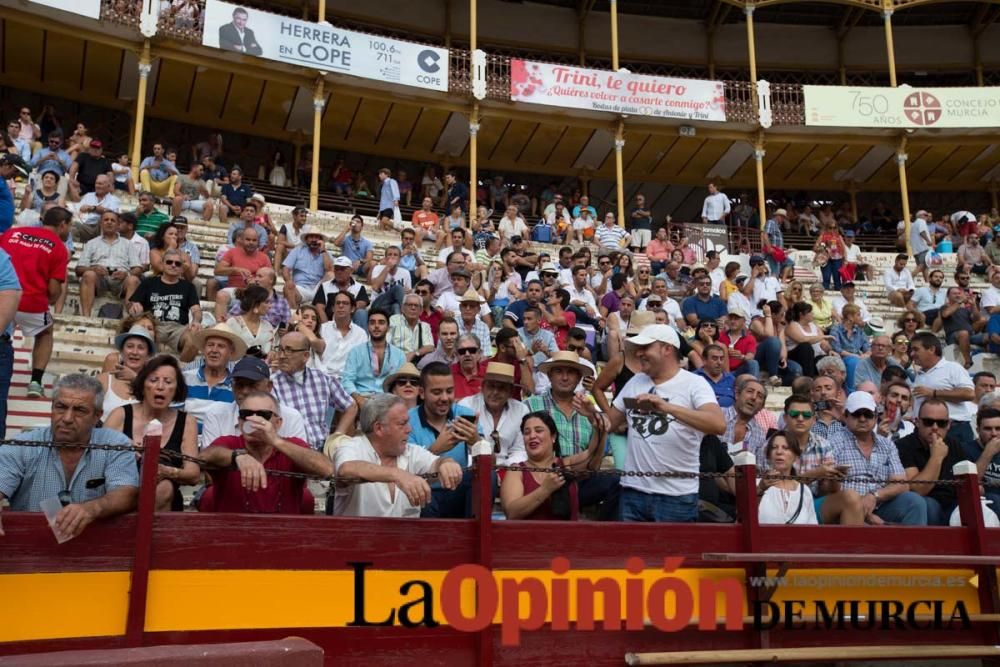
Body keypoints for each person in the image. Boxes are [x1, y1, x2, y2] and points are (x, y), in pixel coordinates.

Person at [607, 325, 725, 522]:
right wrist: (591, 414)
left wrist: (667, 408)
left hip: (676, 496)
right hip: (633, 491)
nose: (639, 353)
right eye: (639, 348)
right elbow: (609, 423)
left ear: (667, 349)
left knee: (674, 554)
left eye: (646, 347)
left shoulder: (694, 384)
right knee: (633, 553)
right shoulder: (636, 381)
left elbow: (718, 424)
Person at [0, 374, 138, 539]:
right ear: (52, 408)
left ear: (97, 416)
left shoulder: (115, 444)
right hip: (29, 548)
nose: (67, 418)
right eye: (61, 407)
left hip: (94, 553)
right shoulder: (21, 446)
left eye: (79, 410)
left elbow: (126, 493)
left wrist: (91, 509)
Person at [333, 394, 464, 517]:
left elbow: (437, 462)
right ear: (379, 428)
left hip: (404, 540)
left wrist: (447, 463)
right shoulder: (351, 446)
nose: (409, 429)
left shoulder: (410, 451)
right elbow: (346, 469)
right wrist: (398, 475)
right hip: (357, 540)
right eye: (402, 424)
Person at [200, 392, 330, 514]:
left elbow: (326, 469)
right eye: (246, 414)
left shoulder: (291, 446)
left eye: (263, 415)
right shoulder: (229, 443)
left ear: (278, 423)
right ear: (240, 422)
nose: (254, 420)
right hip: (234, 532)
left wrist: (276, 441)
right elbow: (205, 456)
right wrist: (237, 457)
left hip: (282, 532)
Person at [102, 355, 199, 512]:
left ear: (176, 389)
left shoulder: (187, 421)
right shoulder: (120, 414)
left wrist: (169, 472)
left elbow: (193, 474)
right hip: (118, 487)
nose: (160, 387)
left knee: (164, 488)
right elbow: (96, 454)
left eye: (168, 382)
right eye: (153, 380)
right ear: (142, 384)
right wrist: (123, 444)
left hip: (164, 499)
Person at [829, 391, 928, 525]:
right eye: (857, 414)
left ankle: (914, 546)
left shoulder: (887, 444)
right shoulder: (833, 442)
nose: (863, 419)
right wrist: (860, 509)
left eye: (868, 414)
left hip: (880, 505)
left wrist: (874, 496)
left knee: (915, 502)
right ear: (846, 416)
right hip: (847, 509)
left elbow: (901, 484)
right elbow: (829, 488)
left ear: (876, 417)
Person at [0, 206, 69, 397]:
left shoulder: (12, 233)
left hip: (3, 296)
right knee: (46, 332)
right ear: (62, 225)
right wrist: (51, 300)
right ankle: (36, 382)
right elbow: (54, 289)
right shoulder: (58, 247)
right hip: (31, 300)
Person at [771, 394, 863, 525]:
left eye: (806, 415)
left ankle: (849, 546)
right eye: (795, 414)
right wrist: (816, 474)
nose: (800, 418)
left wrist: (834, 479)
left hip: (813, 504)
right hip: (779, 507)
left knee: (851, 497)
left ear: (814, 419)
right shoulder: (772, 445)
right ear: (785, 418)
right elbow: (773, 490)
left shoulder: (823, 444)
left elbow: (828, 492)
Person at [500, 409, 608, 520]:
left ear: (553, 437)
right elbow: (512, 512)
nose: (532, 436)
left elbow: (593, 457)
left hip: (566, 535)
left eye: (538, 430)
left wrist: (600, 429)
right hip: (528, 536)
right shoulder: (516, 471)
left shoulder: (566, 464)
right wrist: (545, 490)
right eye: (527, 432)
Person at [406, 362, 480, 518]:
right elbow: (405, 470)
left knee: (489, 477)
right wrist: (435, 450)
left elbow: (491, 463)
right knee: (423, 497)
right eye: (437, 392)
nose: (445, 398)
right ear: (422, 393)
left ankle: (477, 536)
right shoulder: (408, 421)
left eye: (449, 391)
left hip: (458, 490)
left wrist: (476, 441)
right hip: (426, 492)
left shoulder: (465, 415)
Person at [201, 356, 307, 449]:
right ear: (232, 386)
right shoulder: (216, 415)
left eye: (253, 385)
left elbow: (303, 462)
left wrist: (276, 441)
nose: (245, 391)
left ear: (269, 386)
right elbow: (208, 461)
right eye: (240, 384)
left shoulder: (291, 417)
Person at [272, 331, 355, 449]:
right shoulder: (271, 383)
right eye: (280, 349)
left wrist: (337, 435)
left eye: (289, 350)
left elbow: (351, 406)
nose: (281, 355)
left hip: (321, 450)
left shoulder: (322, 379)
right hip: (290, 452)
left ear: (305, 356)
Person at [894, 399, 965, 525]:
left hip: (954, 504)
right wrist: (936, 457)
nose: (935, 428)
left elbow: (969, 482)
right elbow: (917, 490)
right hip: (925, 505)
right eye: (928, 422)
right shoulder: (903, 446)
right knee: (928, 505)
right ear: (917, 422)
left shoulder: (954, 444)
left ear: (948, 424)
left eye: (941, 423)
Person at [128, 248, 201, 354]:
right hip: (153, 326)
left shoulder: (188, 287)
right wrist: (134, 307)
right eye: (169, 262)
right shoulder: (148, 283)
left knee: (195, 337)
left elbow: (196, 310)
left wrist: (196, 320)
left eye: (178, 263)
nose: (173, 265)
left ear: (181, 269)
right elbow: (134, 303)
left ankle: (182, 368)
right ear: (162, 264)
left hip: (178, 328)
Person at [911, 331, 976, 443]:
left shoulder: (952, 368)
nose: (912, 353)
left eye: (916, 349)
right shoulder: (920, 374)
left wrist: (934, 393)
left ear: (931, 349)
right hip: (926, 432)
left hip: (954, 430)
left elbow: (969, 393)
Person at [458, 362, 529, 466]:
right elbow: (461, 449)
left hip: (509, 469)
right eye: (491, 386)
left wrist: (505, 470)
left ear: (510, 391)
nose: (495, 392)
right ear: (482, 387)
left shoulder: (521, 410)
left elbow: (520, 450)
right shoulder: (466, 406)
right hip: (473, 467)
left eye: (501, 388)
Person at [75, 210, 141, 316]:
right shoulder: (91, 243)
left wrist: (126, 274)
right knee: (88, 274)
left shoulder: (128, 244)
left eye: (112, 220)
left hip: (121, 280)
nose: (109, 222)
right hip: (99, 278)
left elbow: (138, 268)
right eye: (106, 220)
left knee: (133, 280)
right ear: (101, 223)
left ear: (118, 225)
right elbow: (79, 269)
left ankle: (130, 318)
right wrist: (93, 269)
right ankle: (86, 317)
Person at [183, 324, 245, 427]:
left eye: (221, 346)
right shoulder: (185, 379)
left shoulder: (237, 386)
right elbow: (174, 418)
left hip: (221, 441)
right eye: (210, 345)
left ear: (231, 352)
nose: (214, 350)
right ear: (204, 349)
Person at [341, 309, 405, 406]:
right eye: (372, 322)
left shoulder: (399, 354)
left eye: (381, 322)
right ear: (368, 327)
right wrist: (358, 398)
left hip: (388, 400)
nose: (376, 326)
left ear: (388, 328)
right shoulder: (356, 352)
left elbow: (401, 382)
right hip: (361, 397)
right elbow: (347, 380)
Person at [757, 431, 819, 525]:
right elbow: (743, 518)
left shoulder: (804, 491)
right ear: (768, 455)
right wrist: (760, 489)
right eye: (774, 448)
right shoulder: (756, 484)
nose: (779, 452)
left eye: (785, 448)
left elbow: (812, 529)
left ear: (796, 457)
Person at [281, 225, 333, 309]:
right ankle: (294, 313)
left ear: (321, 240)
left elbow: (330, 270)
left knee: (331, 274)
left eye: (316, 237)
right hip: (300, 288)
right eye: (311, 237)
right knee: (287, 286)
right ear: (306, 239)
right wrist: (288, 280)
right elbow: (285, 269)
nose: (314, 239)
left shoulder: (326, 254)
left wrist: (323, 250)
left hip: (318, 288)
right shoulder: (298, 250)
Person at [722, 377, 767, 457]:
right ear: (737, 394)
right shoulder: (718, 415)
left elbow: (760, 466)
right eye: (750, 391)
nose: (754, 397)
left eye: (759, 396)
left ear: (761, 407)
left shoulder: (760, 434)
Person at [968, 407, 1000, 512]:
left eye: (998, 428)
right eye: (988, 429)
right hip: (979, 505)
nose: (994, 433)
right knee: (994, 500)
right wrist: (987, 453)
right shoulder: (965, 449)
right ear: (978, 430)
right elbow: (969, 485)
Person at [695, 343, 736, 408]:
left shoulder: (731, 379)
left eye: (721, 359)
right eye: (715, 358)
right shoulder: (694, 378)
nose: (719, 362)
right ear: (704, 360)